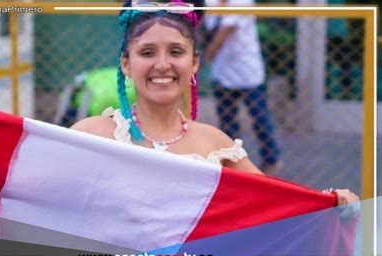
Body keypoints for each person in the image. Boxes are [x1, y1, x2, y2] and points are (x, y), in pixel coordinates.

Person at [71, 0, 358, 206]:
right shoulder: (92, 135)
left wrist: (330, 202)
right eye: (147, 52)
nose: (162, 64)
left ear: (194, 63)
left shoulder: (215, 144)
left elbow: (280, 202)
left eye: (176, 51)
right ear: (126, 64)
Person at [204, 0, 282, 174]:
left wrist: (207, 55)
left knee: (260, 118)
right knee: (227, 121)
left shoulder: (242, 1)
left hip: (248, 70)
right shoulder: (210, 1)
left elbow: (226, 30)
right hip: (222, 70)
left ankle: (271, 159)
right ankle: (230, 161)